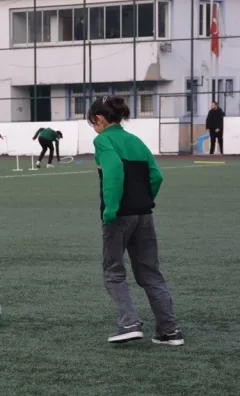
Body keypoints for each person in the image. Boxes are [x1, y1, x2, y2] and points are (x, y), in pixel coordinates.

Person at [88, 95, 183, 346]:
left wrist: (111, 209)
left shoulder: (103, 140)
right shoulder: (136, 141)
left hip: (120, 216)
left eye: (92, 122)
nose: (94, 127)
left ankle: (129, 322)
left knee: (113, 272)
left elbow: (114, 172)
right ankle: (169, 330)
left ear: (99, 118)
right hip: (144, 215)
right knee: (151, 274)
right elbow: (156, 176)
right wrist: (143, 199)